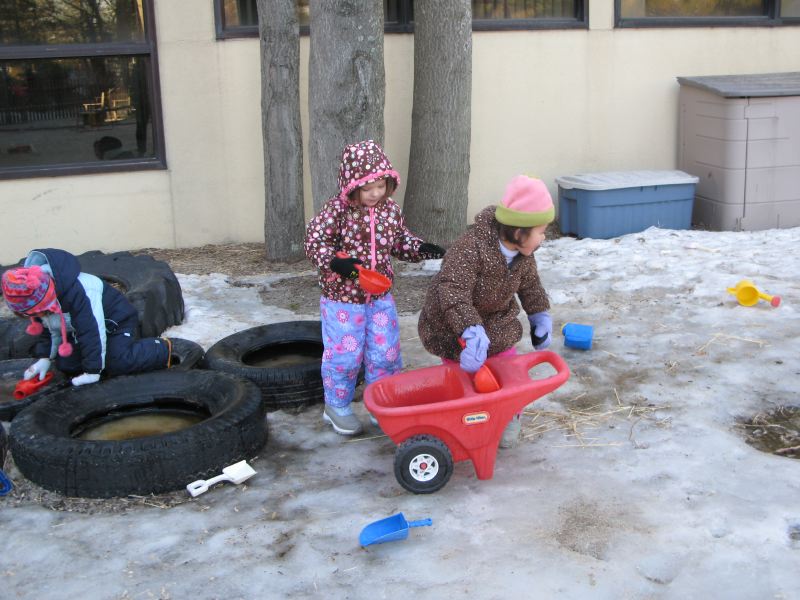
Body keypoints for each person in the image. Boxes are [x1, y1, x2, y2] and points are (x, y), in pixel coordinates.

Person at [304, 139, 445, 436]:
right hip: (343, 299)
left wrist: (420, 248)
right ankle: (337, 406)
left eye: (381, 186)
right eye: (368, 189)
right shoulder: (336, 211)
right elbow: (314, 243)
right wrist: (336, 263)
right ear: (352, 185)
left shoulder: (389, 210)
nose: (375, 194)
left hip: (379, 295)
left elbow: (399, 242)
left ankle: (382, 405)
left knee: (385, 353)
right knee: (345, 355)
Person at [417, 175, 555, 448]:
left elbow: (530, 285)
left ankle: (506, 416)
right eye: (541, 231)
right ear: (519, 231)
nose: (543, 238)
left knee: (507, 372)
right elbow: (452, 290)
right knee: (465, 377)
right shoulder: (470, 248)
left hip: (495, 321)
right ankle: (466, 418)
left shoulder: (524, 255)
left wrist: (539, 315)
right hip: (453, 324)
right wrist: (468, 330)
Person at [1, 248, 172, 387]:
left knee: (117, 362)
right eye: (30, 314)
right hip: (79, 329)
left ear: (46, 299)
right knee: (67, 365)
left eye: (36, 312)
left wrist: (92, 371)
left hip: (115, 322)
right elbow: (48, 329)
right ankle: (100, 362)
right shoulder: (38, 297)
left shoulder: (80, 293)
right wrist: (45, 358)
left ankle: (162, 348)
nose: (36, 316)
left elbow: (92, 331)